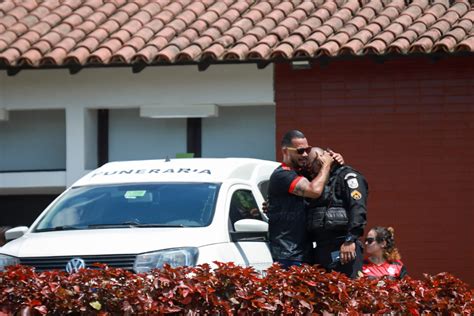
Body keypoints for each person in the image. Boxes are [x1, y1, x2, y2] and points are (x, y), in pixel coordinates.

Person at [267, 130, 335, 269]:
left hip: (304, 253)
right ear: (285, 151)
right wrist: (326, 165)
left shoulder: (300, 173)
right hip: (288, 255)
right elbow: (314, 191)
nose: (305, 154)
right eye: (300, 150)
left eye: (307, 149)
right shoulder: (282, 174)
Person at [306, 147, 368, 278]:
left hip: (343, 246)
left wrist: (350, 240)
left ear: (321, 159)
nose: (310, 171)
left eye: (311, 165)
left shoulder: (348, 176)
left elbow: (358, 208)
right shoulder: (318, 182)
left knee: (348, 292)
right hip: (321, 249)